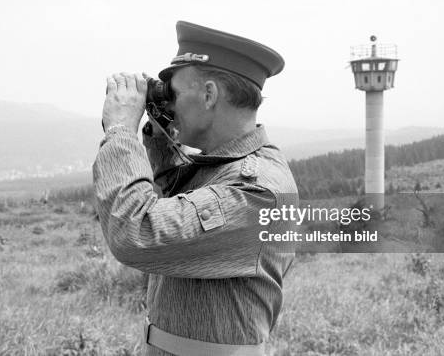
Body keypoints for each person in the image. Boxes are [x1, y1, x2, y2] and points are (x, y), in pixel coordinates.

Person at [93, 21, 298, 356]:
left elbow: (136, 232)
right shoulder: (223, 169)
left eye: (173, 94)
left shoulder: (257, 190)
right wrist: (159, 128)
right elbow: (172, 198)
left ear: (208, 95)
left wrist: (120, 130)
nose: (169, 103)